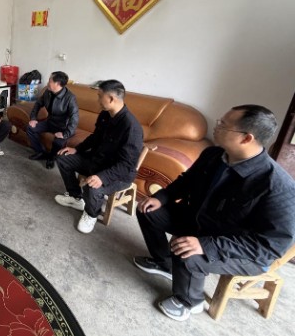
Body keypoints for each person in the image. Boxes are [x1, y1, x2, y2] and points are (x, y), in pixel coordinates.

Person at [133, 104, 295, 321]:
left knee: (188, 252)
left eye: (223, 125)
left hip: (242, 249)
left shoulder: (277, 185)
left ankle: (190, 301)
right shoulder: (214, 155)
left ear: (246, 138)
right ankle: (165, 264)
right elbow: (186, 182)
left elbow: (270, 247)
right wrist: (161, 197)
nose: (216, 127)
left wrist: (207, 245)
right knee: (147, 209)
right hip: (202, 220)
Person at [54, 79, 143, 234]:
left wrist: (102, 177)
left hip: (118, 174)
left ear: (111, 99)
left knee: (93, 186)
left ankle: (91, 214)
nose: (98, 100)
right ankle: (76, 198)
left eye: (100, 96)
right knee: (63, 158)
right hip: (96, 160)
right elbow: (95, 137)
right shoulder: (105, 115)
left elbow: (126, 165)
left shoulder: (131, 127)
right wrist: (77, 149)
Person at [27, 71, 79, 169]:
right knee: (30, 128)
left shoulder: (70, 98)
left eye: (50, 81)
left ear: (57, 84)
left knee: (58, 142)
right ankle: (41, 152)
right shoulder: (48, 92)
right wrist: (33, 118)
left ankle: (51, 158)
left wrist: (65, 134)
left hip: (63, 127)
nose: (47, 83)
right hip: (50, 122)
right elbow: (38, 104)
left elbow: (74, 117)